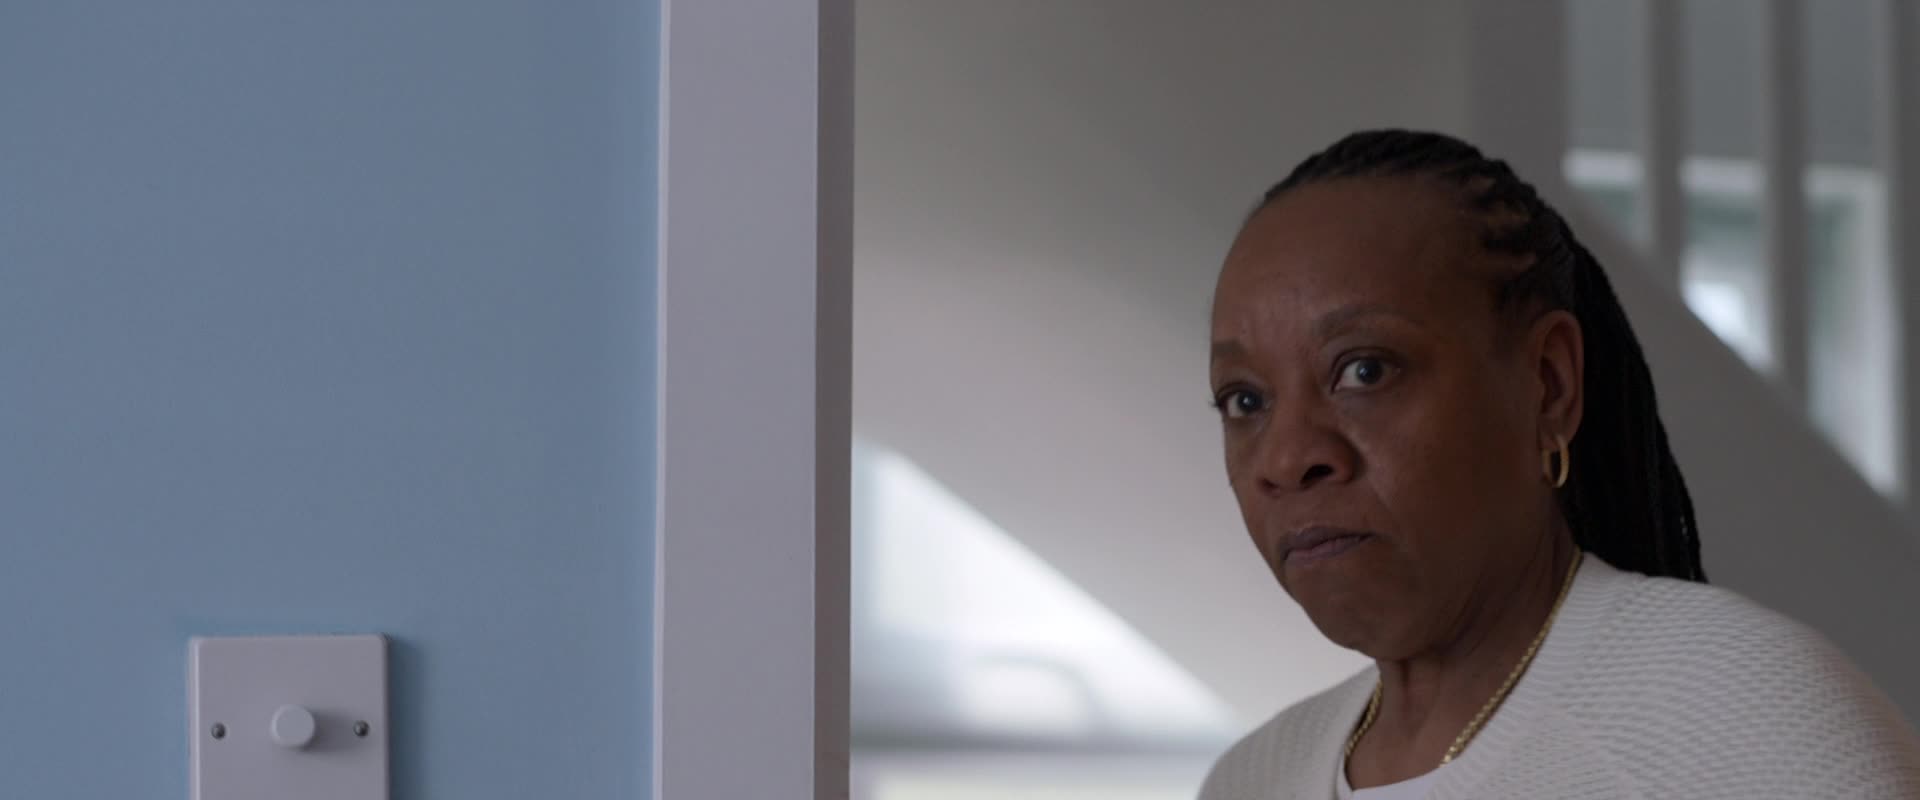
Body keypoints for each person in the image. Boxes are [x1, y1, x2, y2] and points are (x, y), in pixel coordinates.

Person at [1197, 130, 1920, 800]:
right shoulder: (1250, 780)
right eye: (1244, 400)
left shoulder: (1749, 728)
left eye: (1365, 370)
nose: (1286, 459)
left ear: (1548, 385)